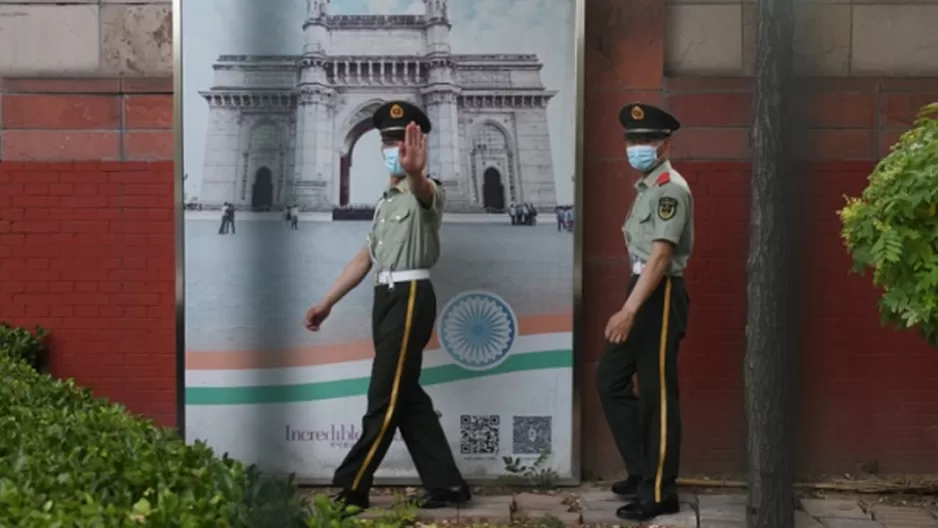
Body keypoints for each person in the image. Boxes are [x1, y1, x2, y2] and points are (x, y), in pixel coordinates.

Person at [303, 100, 471, 514]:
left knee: (384, 394)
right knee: (405, 392)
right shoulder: (386, 202)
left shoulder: (426, 193)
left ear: (418, 145)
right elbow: (365, 259)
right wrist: (327, 301)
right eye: (386, 141)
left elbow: (424, 190)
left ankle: (351, 486)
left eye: (400, 141)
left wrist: (416, 172)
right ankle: (447, 484)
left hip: (411, 296)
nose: (393, 149)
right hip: (387, 297)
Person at [595, 102, 693, 522]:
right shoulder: (648, 188)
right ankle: (641, 469)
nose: (638, 146)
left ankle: (659, 490)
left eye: (647, 140)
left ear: (666, 144)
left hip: (661, 291)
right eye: (633, 140)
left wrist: (629, 309)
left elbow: (660, 255)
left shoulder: (670, 188)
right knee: (610, 379)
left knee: (656, 393)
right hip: (642, 287)